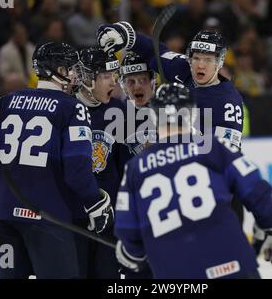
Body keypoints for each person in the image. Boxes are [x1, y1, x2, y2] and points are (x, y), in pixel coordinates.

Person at [0, 42, 114, 279]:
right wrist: (95, 203)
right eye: (71, 69)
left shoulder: (7, 102)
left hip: (4, 219)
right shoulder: (72, 108)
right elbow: (76, 170)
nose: (75, 74)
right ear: (58, 71)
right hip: (46, 220)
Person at [114, 82, 272, 279]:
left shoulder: (136, 167)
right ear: (191, 113)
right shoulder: (214, 148)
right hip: (232, 265)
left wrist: (133, 253)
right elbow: (256, 190)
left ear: (154, 117)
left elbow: (127, 230)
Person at [97, 21, 246, 224]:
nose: (200, 65)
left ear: (220, 62)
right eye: (196, 58)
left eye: (208, 60)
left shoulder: (227, 103)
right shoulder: (183, 68)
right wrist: (126, 34)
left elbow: (224, 159)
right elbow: (154, 51)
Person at [73, 46, 130, 278]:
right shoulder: (65, 109)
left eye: (115, 76)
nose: (113, 83)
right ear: (87, 78)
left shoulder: (118, 110)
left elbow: (126, 167)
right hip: (74, 218)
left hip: (109, 220)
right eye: (106, 76)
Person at [119, 52, 157, 156]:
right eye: (131, 81)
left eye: (143, 80)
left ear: (152, 82)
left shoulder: (170, 110)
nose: (137, 87)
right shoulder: (118, 115)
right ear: (124, 86)